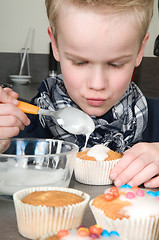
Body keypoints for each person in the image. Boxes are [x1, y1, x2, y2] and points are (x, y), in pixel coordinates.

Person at [1, 0, 159, 188]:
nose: (97, 84)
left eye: (115, 64)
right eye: (79, 62)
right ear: (56, 46)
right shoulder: (19, 128)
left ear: (140, 50)